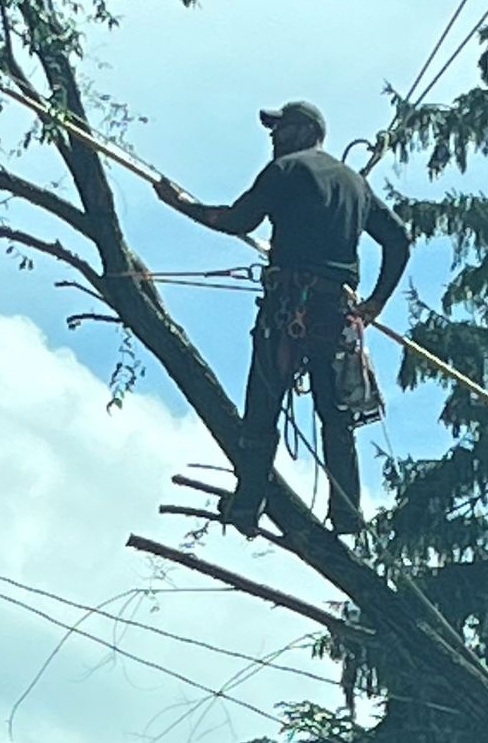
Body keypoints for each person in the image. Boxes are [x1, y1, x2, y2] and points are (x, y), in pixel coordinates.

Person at [159, 102, 410, 537]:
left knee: (263, 408)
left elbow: (238, 219)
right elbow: (398, 241)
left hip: (288, 309)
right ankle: (347, 512)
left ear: (304, 131)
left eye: (281, 130)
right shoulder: (356, 185)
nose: (273, 138)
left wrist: (181, 205)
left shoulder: (287, 171)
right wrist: (377, 302)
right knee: (336, 417)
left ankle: (247, 503)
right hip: (335, 315)